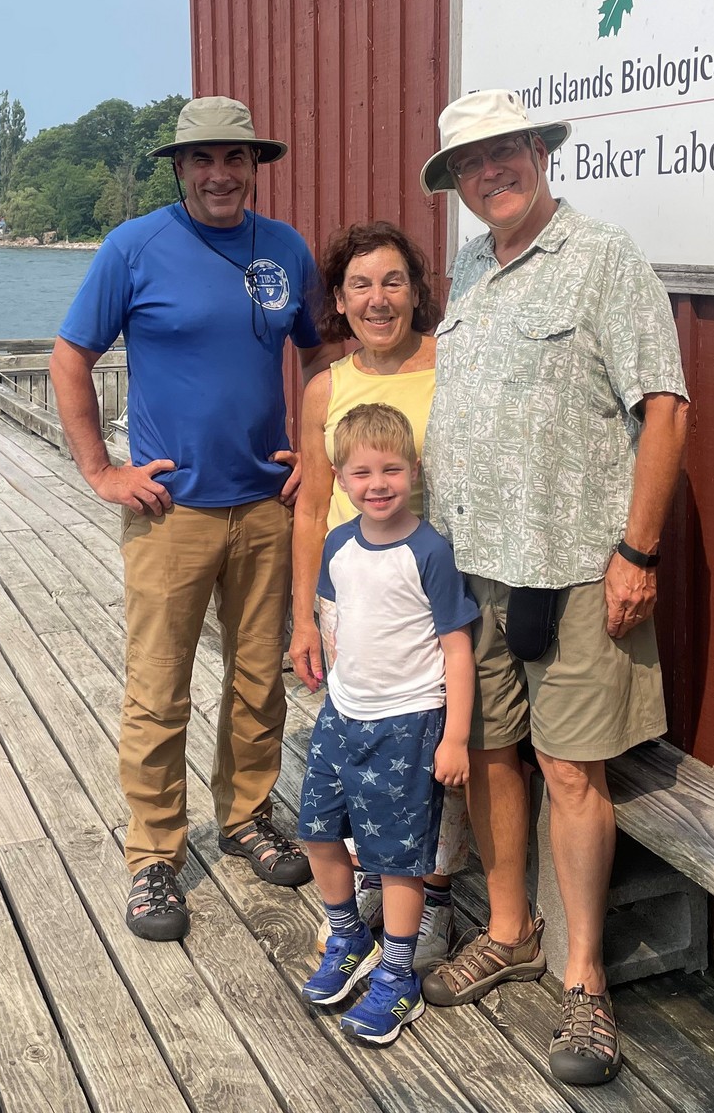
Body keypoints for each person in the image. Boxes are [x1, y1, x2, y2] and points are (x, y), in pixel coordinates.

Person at [416, 88, 690, 1087]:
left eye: (506, 152)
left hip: (577, 567)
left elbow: (663, 409)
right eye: (470, 165)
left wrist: (639, 553)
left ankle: (584, 981)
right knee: (491, 752)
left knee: (573, 771)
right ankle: (509, 928)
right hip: (476, 562)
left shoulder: (604, 260)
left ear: (540, 149)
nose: (492, 173)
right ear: (457, 185)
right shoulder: (470, 270)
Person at [49, 95, 327, 943]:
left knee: (258, 679)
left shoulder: (284, 249)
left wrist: (313, 452)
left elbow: (315, 350)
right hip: (172, 510)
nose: (220, 175)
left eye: (235, 159)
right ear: (179, 168)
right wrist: (100, 469)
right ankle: (154, 855)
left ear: (255, 167)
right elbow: (70, 355)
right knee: (159, 688)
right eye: (202, 160)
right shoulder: (135, 246)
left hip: (265, 506)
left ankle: (245, 817)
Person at [289, 221, 470, 969]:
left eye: (393, 281)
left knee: (429, 747)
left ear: (417, 290)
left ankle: (431, 898)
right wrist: (303, 615)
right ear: (339, 298)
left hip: (430, 589)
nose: (378, 299)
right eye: (360, 284)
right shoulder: (325, 385)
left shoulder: (452, 366)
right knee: (361, 741)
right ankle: (376, 881)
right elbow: (309, 504)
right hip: (352, 593)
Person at [295, 403, 478, 1045]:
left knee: (399, 858)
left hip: (408, 723)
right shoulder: (337, 545)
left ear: (413, 471)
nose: (378, 484)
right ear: (340, 477)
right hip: (342, 714)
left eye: (392, 470)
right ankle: (346, 934)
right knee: (317, 830)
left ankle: (397, 969)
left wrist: (455, 734)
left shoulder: (430, 551)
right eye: (362, 472)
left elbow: (458, 648)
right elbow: (336, 618)